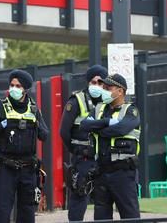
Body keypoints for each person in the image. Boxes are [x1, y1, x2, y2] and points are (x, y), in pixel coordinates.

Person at [0, 69, 49, 223]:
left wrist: (36, 124)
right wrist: (1, 125)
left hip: (28, 169)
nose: (13, 89)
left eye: (18, 86)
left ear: (25, 89)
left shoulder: (34, 109)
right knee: (2, 212)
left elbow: (45, 135)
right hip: (6, 168)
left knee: (27, 214)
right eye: (11, 85)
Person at [80, 74, 141, 220]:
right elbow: (84, 125)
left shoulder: (131, 111)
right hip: (101, 173)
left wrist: (98, 129)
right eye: (104, 87)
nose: (104, 90)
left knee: (130, 217)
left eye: (108, 88)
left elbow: (120, 129)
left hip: (123, 174)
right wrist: (107, 122)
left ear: (120, 91)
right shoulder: (99, 108)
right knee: (101, 218)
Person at [59, 65, 107, 221]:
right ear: (88, 82)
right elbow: (64, 131)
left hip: (103, 158)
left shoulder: (108, 101)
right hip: (83, 158)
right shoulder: (77, 100)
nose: (97, 85)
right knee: (79, 195)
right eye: (94, 82)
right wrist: (74, 149)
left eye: (100, 82)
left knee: (103, 200)